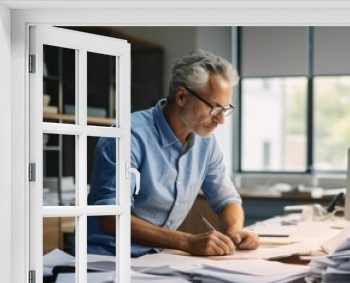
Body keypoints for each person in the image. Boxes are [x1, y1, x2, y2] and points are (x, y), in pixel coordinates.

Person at [85, 49, 260, 257]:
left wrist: (234, 232)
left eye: (224, 110)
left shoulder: (206, 143)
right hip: (106, 260)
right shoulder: (128, 136)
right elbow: (112, 218)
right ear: (182, 96)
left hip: (156, 260)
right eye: (214, 108)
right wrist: (186, 241)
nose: (221, 120)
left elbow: (227, 200)